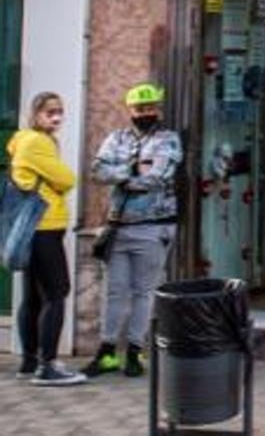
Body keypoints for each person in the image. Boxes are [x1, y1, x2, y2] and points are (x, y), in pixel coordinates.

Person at [82, 83, 183, 378]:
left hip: (154, 228)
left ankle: (136, 352)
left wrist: (123, 175)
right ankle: (107, 352)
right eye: (140, 108)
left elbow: (159, 177)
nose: (146, 112)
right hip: (118, 228)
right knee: (114, 292)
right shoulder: (117, 138)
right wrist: (132, 171)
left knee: (143, 292)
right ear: (130, 110)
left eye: (151, 107)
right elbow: (97, 172)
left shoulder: (169, 140)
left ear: (159, 108)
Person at [7, 92, 87, 386]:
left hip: (33, 226)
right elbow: (67, 179)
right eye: (50, 111)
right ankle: (48, 365)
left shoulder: (25, 140)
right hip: (44, 225)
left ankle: (30, 361)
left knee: (33, 296)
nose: (56, 117)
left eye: (60, 111)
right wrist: (60, 181)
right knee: (57, 292)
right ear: (36, 113)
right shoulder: (37, 142)